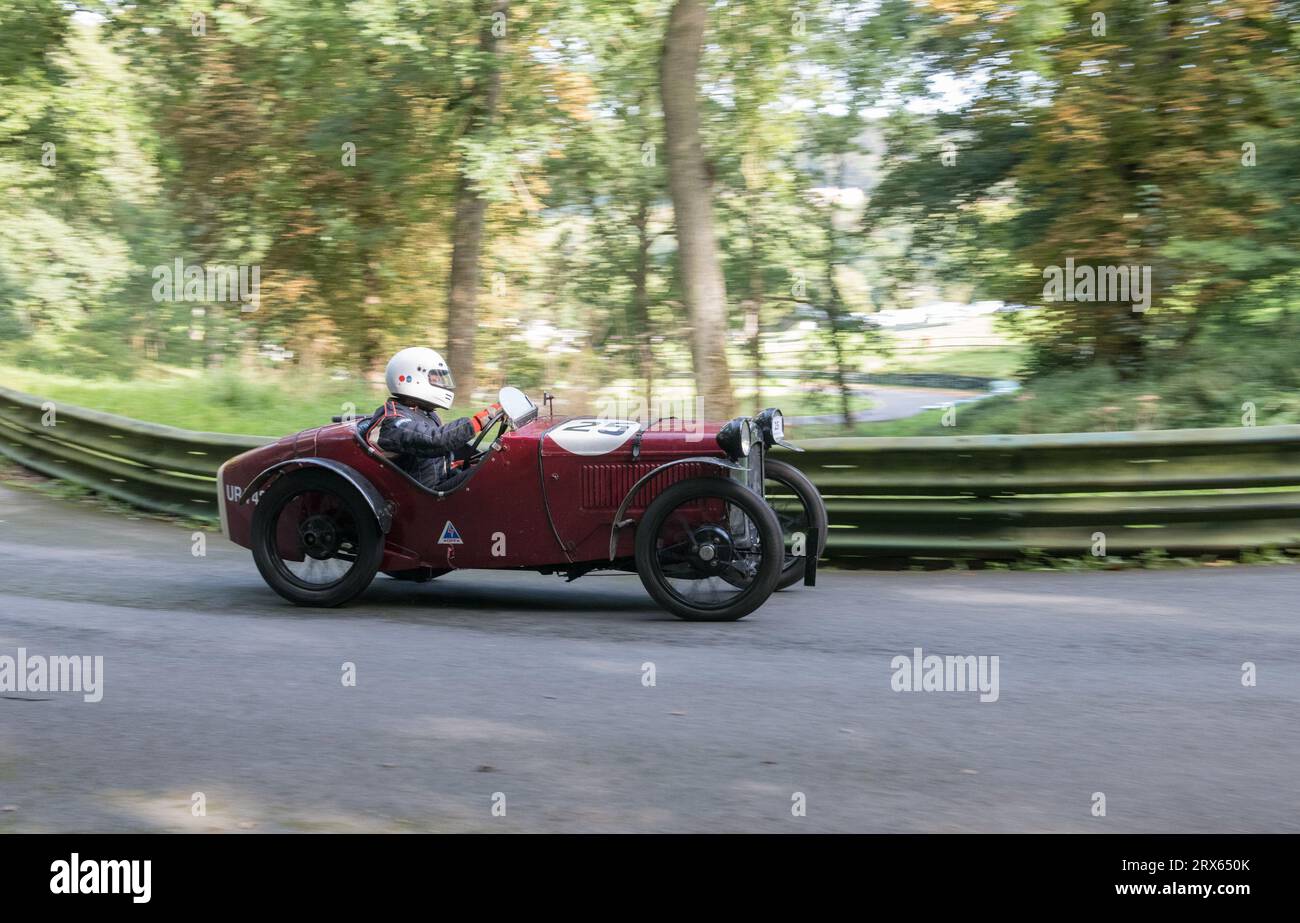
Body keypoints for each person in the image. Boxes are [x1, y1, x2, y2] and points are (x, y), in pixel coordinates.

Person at [362, 347, 500, 490]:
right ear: (410, 378)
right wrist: (480, 420)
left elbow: (433, 459)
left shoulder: (424, 413)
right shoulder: (393, 421)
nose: (442, 382)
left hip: (438, 482)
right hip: (422, 497)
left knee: (494, 466)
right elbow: (435, 440)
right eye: (435, 378)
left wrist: (458, 464)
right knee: (493, 473)